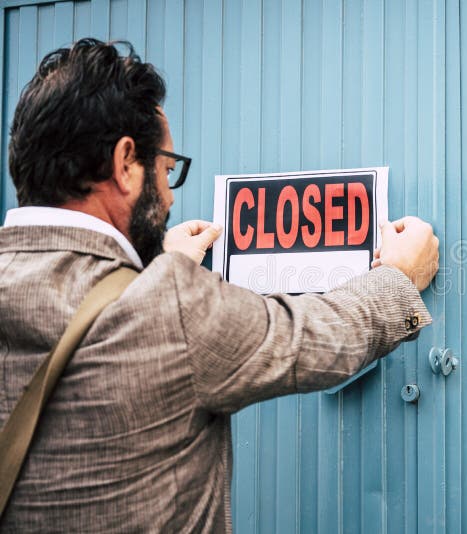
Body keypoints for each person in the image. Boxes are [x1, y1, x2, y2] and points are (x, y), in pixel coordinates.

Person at [0, 39, 439, 532]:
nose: (167, 196)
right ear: (126, 164)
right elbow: (318, 335)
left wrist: (149, 270)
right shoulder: (170, 304)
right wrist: (400, 277)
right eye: (167, 169)